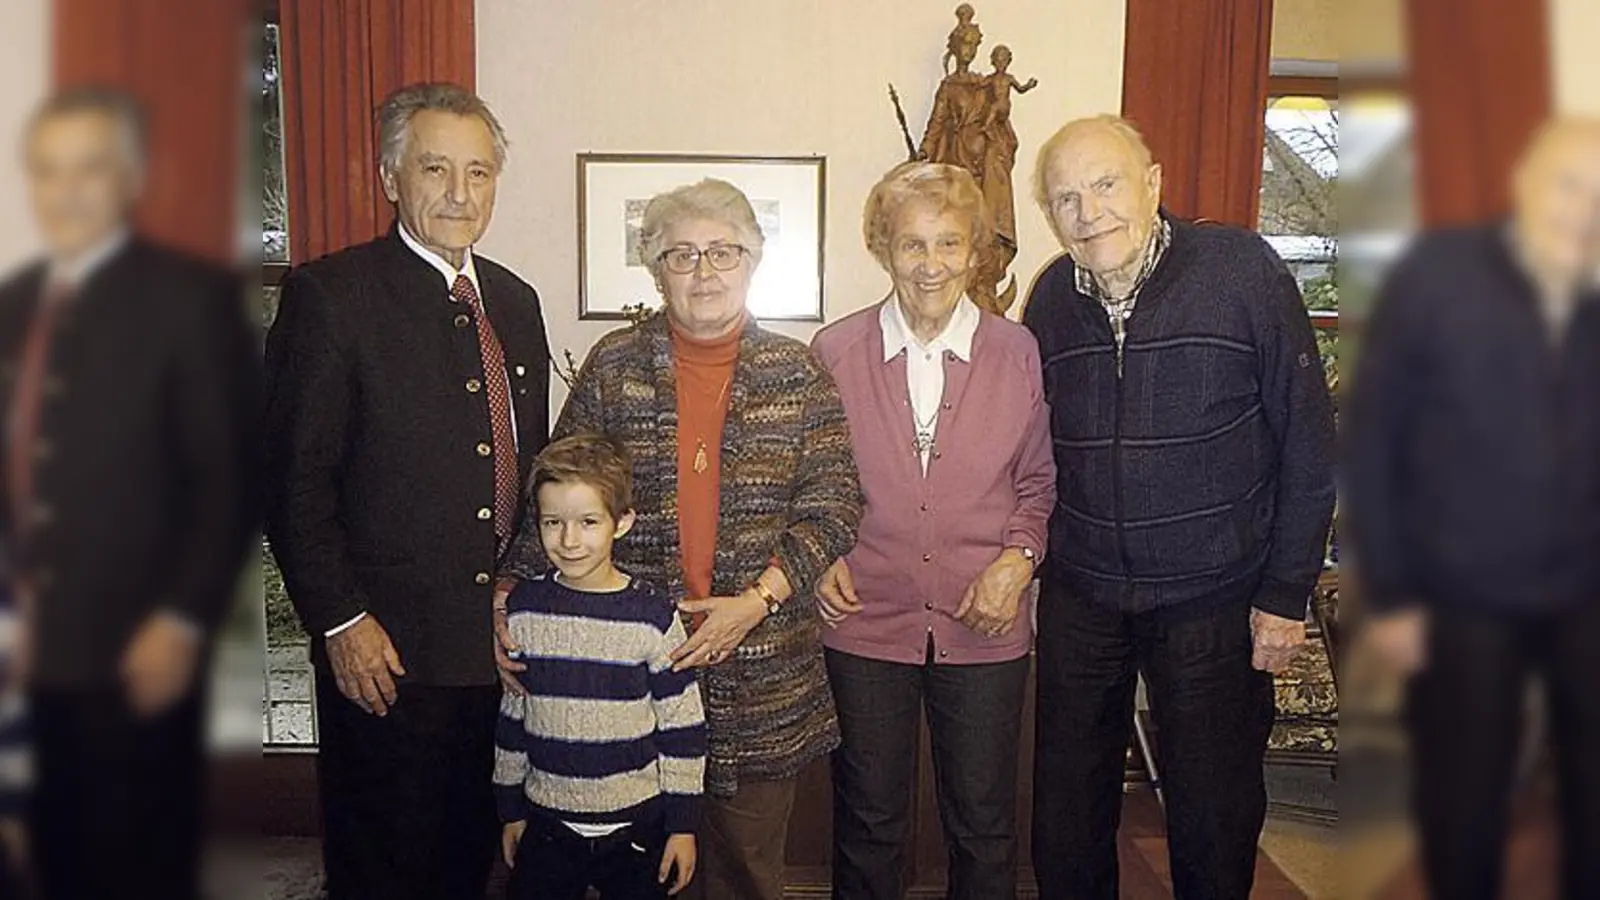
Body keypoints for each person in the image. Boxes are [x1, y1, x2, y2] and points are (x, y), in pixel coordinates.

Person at [496, 178, 861, 900]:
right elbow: (562, 485)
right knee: (648, 876)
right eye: (682, 255)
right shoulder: (615, 366)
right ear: (655, 268)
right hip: (624, 674)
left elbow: (835, 502)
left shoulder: (798, 371)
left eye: (723, 252)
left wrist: (757, 600)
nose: (704, 271)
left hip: (760, 673)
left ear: (753, 261)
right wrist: (509, 593)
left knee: (750, 873)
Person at [1023, 115, 1335, 900]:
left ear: (1153, 183)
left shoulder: (1240, 272)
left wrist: (1283, 595)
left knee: (1212, 811)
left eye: (1105, 184)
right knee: (1065, 809)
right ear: (1049, 214)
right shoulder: (1052, 299)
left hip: (1214, 595)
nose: (1089, 211)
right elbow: (1031, 449)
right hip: (1084, 591)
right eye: (1066, 198)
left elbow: (1307, 437)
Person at [264, 82, 551, 900]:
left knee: (472, 860)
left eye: (479, 172)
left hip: (495, 652)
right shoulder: (332, 296)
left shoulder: (518, 303)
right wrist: (341, 620)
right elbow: (292, 479)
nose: (460, 193)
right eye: (436, 169)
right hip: (383, 654)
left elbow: (525, 470)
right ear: (391, 176)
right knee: (384, 868)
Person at [0, 87, 256, 900]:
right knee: (48, 857)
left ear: (131, 176)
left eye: (89, 169)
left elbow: (229, 476)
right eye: (48, 172)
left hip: (137, 650)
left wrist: (180, 620)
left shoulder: (191, 299)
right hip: (21, 652)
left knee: (136, 863)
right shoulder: (14, 303)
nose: (66, 191)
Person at [1344, 117, 1600, 900]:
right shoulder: (1439, 274)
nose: (1581, 209)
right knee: (1464, 801)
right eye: (1568, 184)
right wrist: (1389, 595)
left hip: (1589, 591)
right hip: (1460, 595)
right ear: (1524, 182)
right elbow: (1374, 436)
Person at [811, 161, 1054, 900]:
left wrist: (1018, 563)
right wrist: (820, 558)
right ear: (883, 249)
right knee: (870, 820)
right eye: (912, 245)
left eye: (949, 244)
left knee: (983, 825)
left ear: (976, 250)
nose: (931, 264)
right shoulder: (835, 351)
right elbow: (810, 482)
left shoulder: (1017, 352)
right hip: (864, 622)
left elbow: (1039, 482)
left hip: (986, 619)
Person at [495, 433, 706, 899]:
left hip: (637, 828)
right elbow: (513, 716)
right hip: (547, 825)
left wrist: (683, 826)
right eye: (553, 522)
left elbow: (683, 729)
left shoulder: (653, 617)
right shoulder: (524, 610)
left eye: (588, 521)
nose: (569, 541)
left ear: (622, 522)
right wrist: (510, 808)